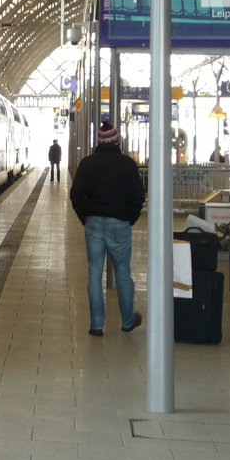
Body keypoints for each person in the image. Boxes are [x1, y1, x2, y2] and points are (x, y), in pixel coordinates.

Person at [69, 122, 145, 336]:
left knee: (94, 272)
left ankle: (96, 324)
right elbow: (139, 195)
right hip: (119, 223)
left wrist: (86, 217)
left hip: (94, 222)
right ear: (116, 141)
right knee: (122, 271)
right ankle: (128, 320)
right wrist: (130, 217)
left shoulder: (87, 164)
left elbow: (76, 195)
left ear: (99, 142)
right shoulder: (127, 164)